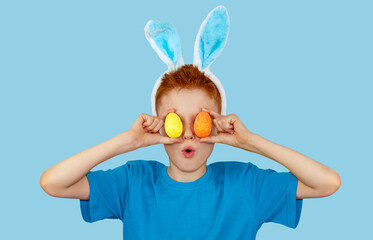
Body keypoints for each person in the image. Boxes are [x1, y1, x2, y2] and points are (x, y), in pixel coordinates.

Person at [40, 6, 341, 239]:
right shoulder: (134, 182)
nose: (187, 134)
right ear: (158, 124)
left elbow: (328, 183)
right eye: (174, 120)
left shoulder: (246, 184)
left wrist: (251, 142)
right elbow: (52, 182)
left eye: (199, 120)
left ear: (217, 124)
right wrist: (126, 142)